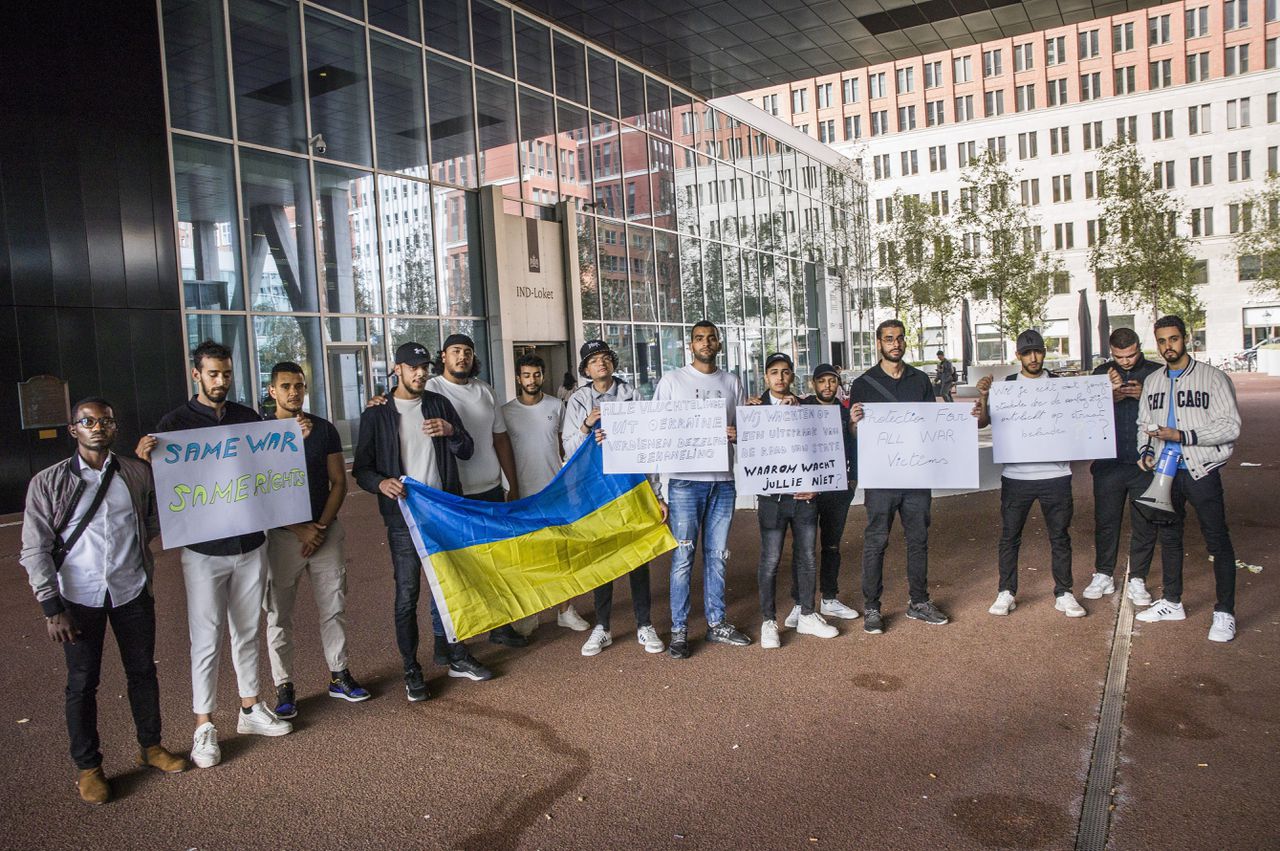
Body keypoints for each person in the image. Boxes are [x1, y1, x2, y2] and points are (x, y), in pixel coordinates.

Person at [21, 397, 187, 804]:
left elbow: (152, 519)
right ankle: (89, 767)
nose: (98, 427)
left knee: (142, 672)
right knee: (82, 684)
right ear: (73, 430)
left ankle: (150, 747)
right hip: (77, 600)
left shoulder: (134, 473)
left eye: (106, 421)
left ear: (115, 428)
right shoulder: (48, 482)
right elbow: (34, 548)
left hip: (131, 590)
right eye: (88, 421)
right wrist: (50, 606)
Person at [136, 341, 293, 768]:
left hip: (250, 544)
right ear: (196, 375)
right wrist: (146, 460)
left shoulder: (247, 419)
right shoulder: (174, 424)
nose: (221, 381)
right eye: (212, 374)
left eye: (225, 374)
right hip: (203, 551)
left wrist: (293, 441)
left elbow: (272, 468)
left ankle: (249, 709)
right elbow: (165, 486)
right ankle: (204, 725)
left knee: (247, 630)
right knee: (205, 639)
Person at [355, 342, 492, 699]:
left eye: (424, 367)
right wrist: (380, 483)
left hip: (443, 511)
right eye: (413, 367)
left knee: (451, 587)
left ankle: (456, 655)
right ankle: (411, 668)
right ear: (397, 369)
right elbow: (362, 469)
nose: (420, 373)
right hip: (403, 519)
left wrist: (451, 432)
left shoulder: (438, 404)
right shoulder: (377, 413)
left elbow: (467, 449)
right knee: (407, 595)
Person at [262, 363, 369, 721]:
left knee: (333, 607)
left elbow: (339, 482)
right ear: (272, 391)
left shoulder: (322, 429)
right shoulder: (259, 434)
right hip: (281, 536)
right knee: (279, 614)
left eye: (300, 386)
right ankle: (284, 685)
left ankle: (339, 675)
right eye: (286, 386)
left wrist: (319, 527)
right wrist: (299, 529)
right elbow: (259, 492)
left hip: (326, 531)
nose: (294, 392)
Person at [1134, 315, 1242, 642]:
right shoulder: (1152, 381)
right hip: (1164, 474)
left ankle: (1224, 612)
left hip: (1200, 471)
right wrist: (1145, 453)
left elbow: (1230, 426)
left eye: (1174, 339)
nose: (1168, 346)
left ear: (1186, 339)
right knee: (1169, 538)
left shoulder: (1213, 378)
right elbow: (1144, 424)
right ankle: (1172, 601)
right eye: (1162, 341)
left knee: (1217, 541)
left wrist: (1184, 434)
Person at [654, 321, 751, 657]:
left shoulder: (731, 381)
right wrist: (656, 489)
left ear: (719, 344)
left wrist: (739, 433)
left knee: (717, 557)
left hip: (723, 483)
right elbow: (654, 430)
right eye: (699, 338)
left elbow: (745, 428)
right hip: (684, 483)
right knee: (683, 558)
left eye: (711, 338)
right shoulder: (672, 381)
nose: (705, 343)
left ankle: (717, 623)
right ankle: (679, 630)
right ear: (690, 344)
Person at [564, 339, 667, 656]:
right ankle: (603, 627)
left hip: (629, 487)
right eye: (594, 360)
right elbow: (568, 448)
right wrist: (586, 426)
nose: (601, 363)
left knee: (638, 557)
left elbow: (649, 443)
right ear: (586, 369)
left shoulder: (630, 394)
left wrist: (657, 494)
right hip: (595, 491)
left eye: (606, 358)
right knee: (602, 558)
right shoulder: (578, 400)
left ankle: (644, 624)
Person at [425, 334, 527, 650]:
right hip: (450, 495)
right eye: (456, 351)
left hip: (490, 489)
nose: (462, 357)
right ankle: (445, 640)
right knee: (449, 568)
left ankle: (500, 626)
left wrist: (512, 483)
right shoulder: (430, 389)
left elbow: (500, 439)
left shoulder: (485, 391)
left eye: (467, 352)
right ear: (443, 356)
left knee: (496, 563)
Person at [976, 329, 1088, 619]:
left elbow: (1081, 421)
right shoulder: (1006, 387)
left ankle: (1064, 592)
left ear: (1044, 352)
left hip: (1056, 475)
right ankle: (1006, 592)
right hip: (1017, 477)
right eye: (1027, 353)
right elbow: (983, 422)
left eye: (1037, 351)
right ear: (1018, 356)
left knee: (1060, 536)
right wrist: (985, 397)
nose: (1034, 357)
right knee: (1009, 537)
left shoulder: (1061, 386)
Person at [848, 319, 951, 633]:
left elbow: (931, 426)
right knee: (875, 542)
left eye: (900, 338)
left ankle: (918, 602)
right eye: (889, 339)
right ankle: (872, 608)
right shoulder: (863, 383)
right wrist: (853, 423)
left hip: (916, 477)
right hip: (881, 479)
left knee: (918, 540)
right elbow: (855, 434)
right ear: (878, 343)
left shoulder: (920, 380)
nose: (896, 344)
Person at [751, 353, 838, 649]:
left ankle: (807, 614)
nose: (780, 378)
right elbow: (745, 447)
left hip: (804, 497)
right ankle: (768, 621)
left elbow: (824, 451)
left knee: (808, 556)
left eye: (785, 372)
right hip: (772, 498)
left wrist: (818, 485)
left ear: (792, 377)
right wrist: (741, 427)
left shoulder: (809, 408)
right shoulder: (754, 409)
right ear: (766, 377)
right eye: (773, 372)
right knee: (771, 559)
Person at [501, 353, 591, 636]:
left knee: (561, 553)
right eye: (526, 375)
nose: (532, 380)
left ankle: (565, 610)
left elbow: (568, 447)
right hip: (522, 493)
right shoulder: (506, 411)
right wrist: (511, 488)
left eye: (536, 374)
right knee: (528, 556)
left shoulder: (557, 405)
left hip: (555, 491)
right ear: (518, 378)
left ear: (542, 376)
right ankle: (531, 614)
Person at [1081, 328, 1161, 606]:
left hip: (1145, 461)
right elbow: (1085, 412)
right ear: (1111, 353)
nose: (1126, 361)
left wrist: (1146, 395)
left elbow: (1173, 412)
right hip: (1108, 462)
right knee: (1105, 522)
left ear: (1140, 347)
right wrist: (1107, 395)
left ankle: (1138, 578)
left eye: (1131, 355)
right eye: (1119, 356)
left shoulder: (1156, 373)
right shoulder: (1101, 373)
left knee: (1145, 522)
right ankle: (1103, 573)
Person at [799, 363, 861, 625]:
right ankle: (800, 603)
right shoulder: (800, 408)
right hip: (808, 490)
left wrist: (854, 478)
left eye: (832, 381)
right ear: (813, 384)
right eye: (822, 381)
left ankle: (829, 598)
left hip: (839, 488)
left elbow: (854, 445)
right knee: (804, 548)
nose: (827, 386)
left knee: (832, 545)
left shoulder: (845, 413)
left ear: (838, 384)